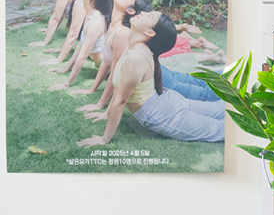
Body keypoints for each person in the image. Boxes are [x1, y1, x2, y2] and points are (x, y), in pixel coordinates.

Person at [80, 14, 225, 146]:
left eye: (148, 16)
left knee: (220, 129)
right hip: (166, 102)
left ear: (150, 33)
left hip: (160, 113)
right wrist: (106, 114)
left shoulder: (135, 57)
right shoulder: (133, 47)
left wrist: (104, 139)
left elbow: (121, 101)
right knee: (219, 109)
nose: (142, 13)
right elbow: (120, 88)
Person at [51, 0, 116, 89]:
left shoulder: (95, 21)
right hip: (103, 64)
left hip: (109, 69)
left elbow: (83, 56)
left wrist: (66, 84)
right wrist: (66, 68)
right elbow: (80, 45)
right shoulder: (90, 13)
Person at [46, 0, 104, 69]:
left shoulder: (81, 4)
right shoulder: (85, 4)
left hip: (104, 63)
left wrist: (59, 59)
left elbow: (73, 34)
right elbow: (81, 42)